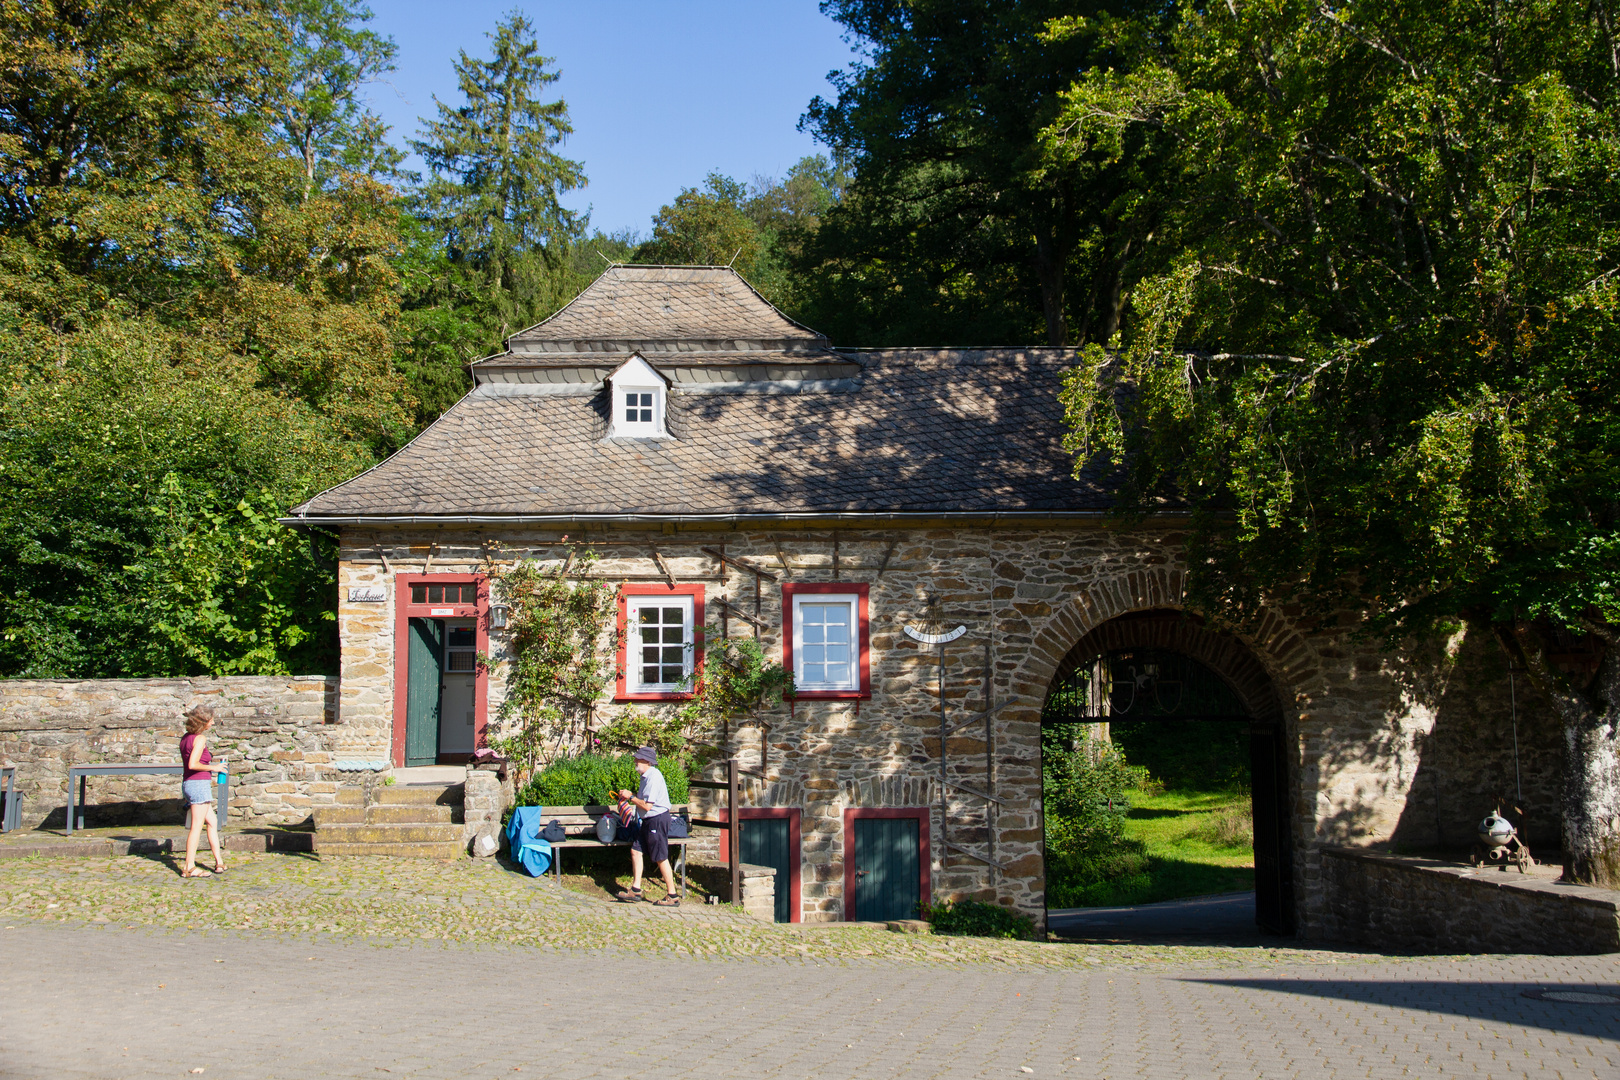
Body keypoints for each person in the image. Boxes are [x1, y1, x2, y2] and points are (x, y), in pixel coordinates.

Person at [615, 746, 678, 906]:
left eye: (638, 759)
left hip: (656, 819)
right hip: (648, 821)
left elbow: (647, 806)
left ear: (647, 762)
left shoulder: (653, 777)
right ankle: (635, 890)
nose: (635, 761)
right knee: (636, 850)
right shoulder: (646, 776)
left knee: (660, 857)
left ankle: (672, 895)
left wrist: (631, 797)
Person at [179, 704, 225, 878]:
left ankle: (219, 862)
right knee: (196, 827)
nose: (213, 723)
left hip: (191, 784)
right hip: (198, 785)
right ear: (204, 721)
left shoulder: (185, 738)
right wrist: (215, 767)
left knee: (212, 822)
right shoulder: (199, 739)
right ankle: (189, 867)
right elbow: (193, 764)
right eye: (211, 719)